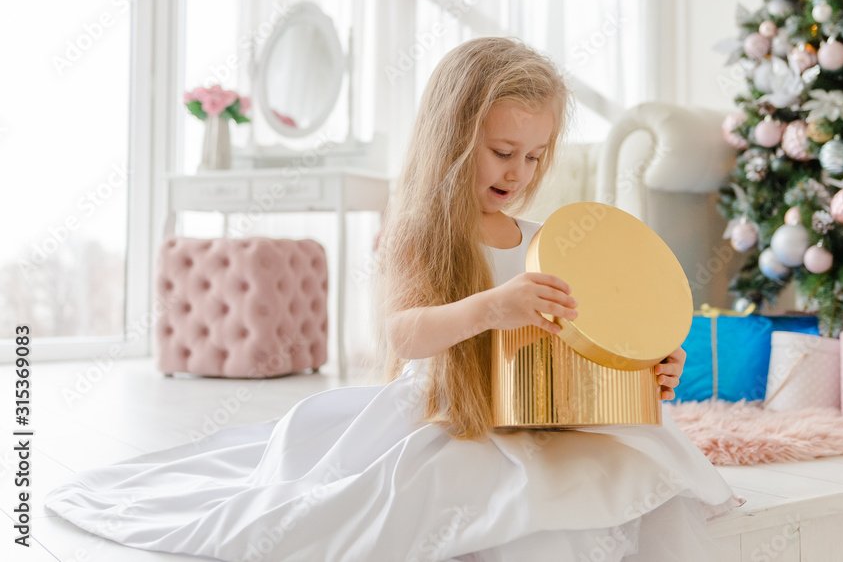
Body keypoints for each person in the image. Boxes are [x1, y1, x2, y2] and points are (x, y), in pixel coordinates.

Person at [46, 37, 740, 561]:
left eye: (535, 156)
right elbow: (404, 334)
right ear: (456, 135)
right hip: (451, 409)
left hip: (540, 410)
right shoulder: (424, 233)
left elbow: (584, 335)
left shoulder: (544, 237)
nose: (519, 172)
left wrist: (647, 369)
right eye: (503, 151)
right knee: (466, 505)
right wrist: (492, 309)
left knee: (640, 471)